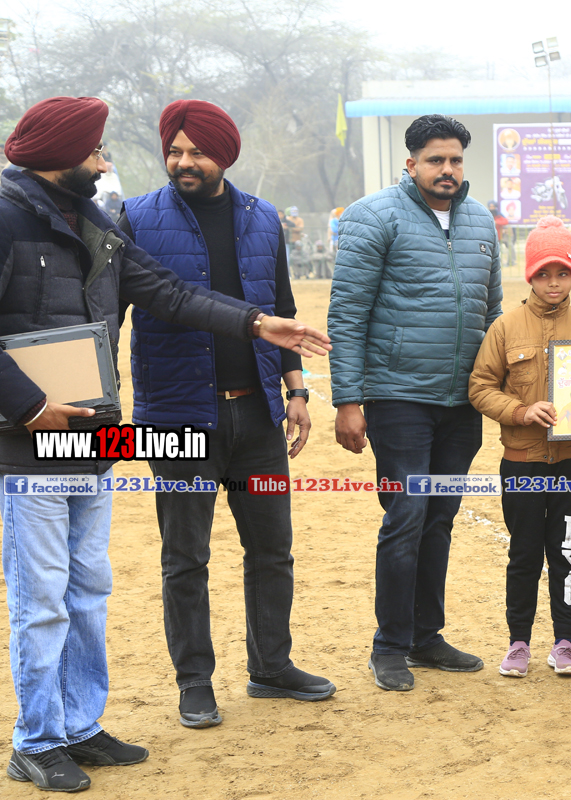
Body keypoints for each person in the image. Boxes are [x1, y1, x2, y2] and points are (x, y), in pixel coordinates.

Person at [0, 96, 330, 793]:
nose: (104, 161)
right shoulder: (13, 219)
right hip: (33, 442)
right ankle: (37, 740)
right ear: (62, 153)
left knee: (87, 590)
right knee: (45, 598)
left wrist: (258, 325)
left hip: (93, 438)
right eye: (95, 149)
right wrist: (28, 405)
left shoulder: (94, 222)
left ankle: (79, 727)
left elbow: (171, 295)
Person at [117, 99, 335, 730]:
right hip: (175, 421)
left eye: (197, 152)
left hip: (259, 419)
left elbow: (282, 307)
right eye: (174, 151)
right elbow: (110, 313)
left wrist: (296, 392)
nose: (183, 162)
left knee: (271, 549)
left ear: (225, 156)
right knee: (185, 556)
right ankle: (195, 682)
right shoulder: (134, 217)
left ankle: (272, 667)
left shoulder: (264, 218)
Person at [329, 114, 502, 692]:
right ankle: (390, 645)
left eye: (455, 160)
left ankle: (427, 637)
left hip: (462, 402)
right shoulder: (372, 216)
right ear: (411, 164)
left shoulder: (481, 221)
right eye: (435, 160)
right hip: (398, 396)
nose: (447, 169)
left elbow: (493, 312)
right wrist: (348, 400)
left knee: (441, 517)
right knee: (406, 515)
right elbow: (347, 313)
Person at [469, 216, 571, 679]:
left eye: (562, 272)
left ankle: (565, 642)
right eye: (543, 273)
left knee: (566, 553)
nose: (553, 282)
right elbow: (480, 387)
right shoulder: (505, 327)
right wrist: (521, 411)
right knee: (524, 553)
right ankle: (519, 643)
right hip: (522, 464)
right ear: (530, 275)